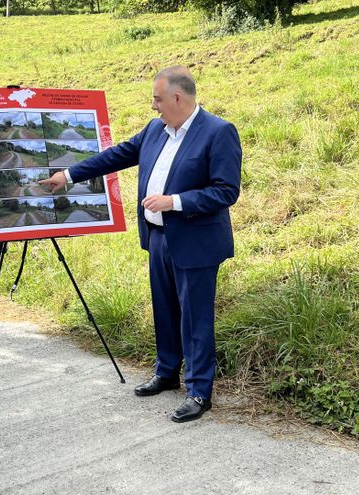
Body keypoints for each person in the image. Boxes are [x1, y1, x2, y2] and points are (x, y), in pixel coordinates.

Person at [40, 66, 242, 423]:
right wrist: (69, 175)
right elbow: (116, 155)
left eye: (157, 99)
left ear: (177, 98)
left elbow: (226, 191)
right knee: (164, 309)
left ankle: (199, 391)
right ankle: (167, 372)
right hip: (159, 237)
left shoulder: (218, 131)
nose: (153, 106)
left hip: (196, 242)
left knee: (194, 318)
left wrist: (173, 201)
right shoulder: (154, 130)